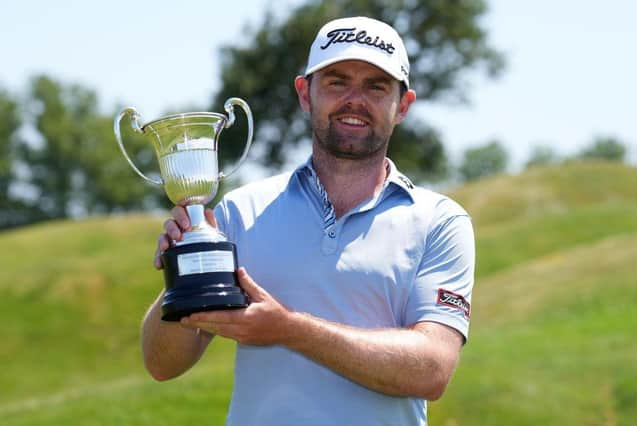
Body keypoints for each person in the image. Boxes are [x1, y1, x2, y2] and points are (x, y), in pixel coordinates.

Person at [142, 16, 475, 426]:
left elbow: (433, 369)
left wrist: (289, 329)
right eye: (337, 81)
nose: (355, 99)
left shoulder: (439, 222)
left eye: (376, 86)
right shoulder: (238, 213)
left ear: (402, 105)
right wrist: (182, 273)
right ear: (305, 94)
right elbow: (162, 364)